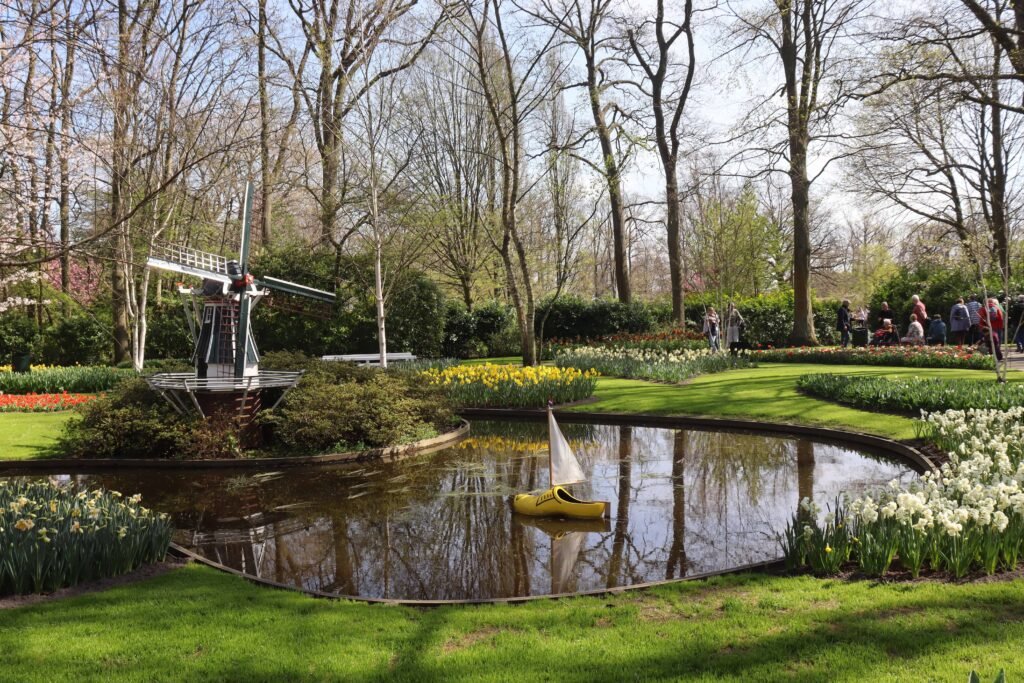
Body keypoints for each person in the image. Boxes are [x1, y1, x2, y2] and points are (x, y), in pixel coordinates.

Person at [980, 297, 1005, 361]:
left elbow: (981, 319)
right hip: (999, 326)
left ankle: (992, 355)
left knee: (990, 342)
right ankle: (998, 355)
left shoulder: (983, 309)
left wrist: (983, 326)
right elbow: (1002, 317)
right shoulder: (998, 308)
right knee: (997, 342)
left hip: (990, 327)